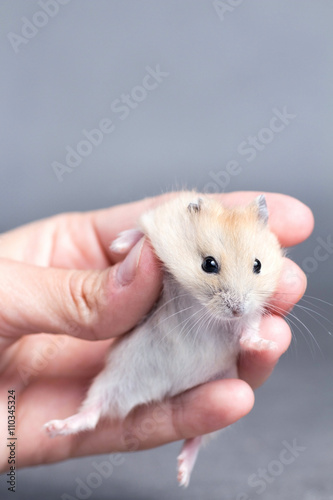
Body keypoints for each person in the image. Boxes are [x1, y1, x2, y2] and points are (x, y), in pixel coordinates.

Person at [0, 191, 313, 471]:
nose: (237, 302)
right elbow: (159, 220)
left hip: (211, 362)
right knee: (120, 371)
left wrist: (250, 333)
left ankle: (194, 442)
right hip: (152, 346)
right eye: (210, 266)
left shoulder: (251, 288)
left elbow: (249, 311)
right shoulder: (184, 223)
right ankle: (87, 415)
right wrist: (139, 234)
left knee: (224, 391)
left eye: (255, 267)